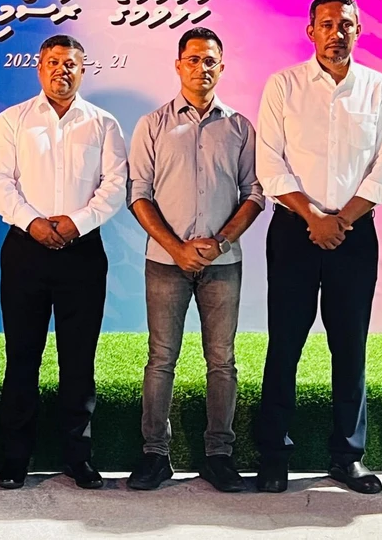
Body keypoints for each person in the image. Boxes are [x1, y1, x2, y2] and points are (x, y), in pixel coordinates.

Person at [254, 0, 382, 494]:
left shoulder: (378, 88)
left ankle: (347, 456)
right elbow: (269, 162)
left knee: (350, 346)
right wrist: (314, 217)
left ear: (359, 31)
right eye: (328, 24)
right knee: (284, 344)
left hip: (354, 234)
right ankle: (274, 456)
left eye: (346, 25)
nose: (337, 33)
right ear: (310, 30)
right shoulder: (284, 85)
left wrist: (341, 220)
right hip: (295, 230)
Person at [0, 34, 128, 490]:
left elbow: (115, 186)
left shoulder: (104, 124)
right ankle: (15, 457)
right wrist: (33, 222)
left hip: (81, 252)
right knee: (21, 357)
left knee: (79, 360)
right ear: (39, 67)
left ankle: (77, 456)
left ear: (83, 70)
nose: (61, 71)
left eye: (70, 64)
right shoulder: (13, 120)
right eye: (52, 62)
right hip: (26, 249)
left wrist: (76, 223)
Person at [125, 27, 263, 492]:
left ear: (221, 67)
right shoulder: (152, 125)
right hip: (166, 262)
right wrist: (177, 248)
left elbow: (254, 193)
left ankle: (219, 455)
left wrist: (220, 242)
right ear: (178, 65)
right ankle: (155, 455)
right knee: (161, 358)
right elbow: (138, 194)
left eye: (210, 61)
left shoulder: (240, 127)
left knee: (221, 360)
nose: (201, 68)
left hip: (223, 263)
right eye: (193, 59)